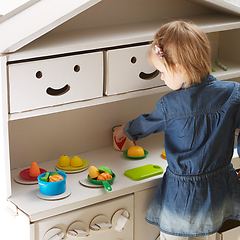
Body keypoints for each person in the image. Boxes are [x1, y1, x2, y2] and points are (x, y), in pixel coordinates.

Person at [114, 20, 240, 240]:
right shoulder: (233, 93)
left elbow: (148, 124)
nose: (161, 77)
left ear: (179, 68)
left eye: (161, 71)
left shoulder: (169, 104)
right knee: (205, 235)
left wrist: (124, 130)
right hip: (217, 190)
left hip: (183, 195)